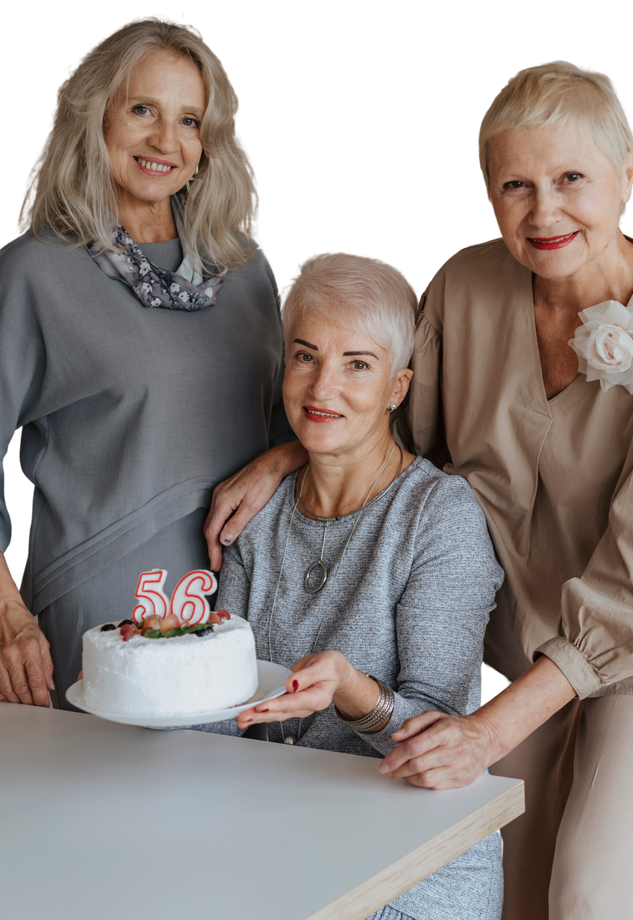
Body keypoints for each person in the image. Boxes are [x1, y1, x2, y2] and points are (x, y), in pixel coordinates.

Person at [201, 61, 633, 919]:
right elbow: (382, 411)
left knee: (588, 888)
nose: (543, 212)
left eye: (571, 179)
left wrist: (487, 730)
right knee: (498, 862)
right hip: (516, 628)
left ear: (629, 170)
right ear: (488, 192)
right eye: (515, 185)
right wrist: (286, 457)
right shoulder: (461, 286)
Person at [0, 12, 306, 711]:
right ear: (95, 117)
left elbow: (302, 426)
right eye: (142, 109)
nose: (165, 141)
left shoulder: (248, 266)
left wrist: (279, 459)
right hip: (103, 602)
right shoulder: (32, 271)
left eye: (189, 120)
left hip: (247, 596)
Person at [178, 248, 505, 920]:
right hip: (279, 847)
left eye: (357, 364)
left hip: (413, 873)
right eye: (306, 356)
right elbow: (224, 705)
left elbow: (440, 737)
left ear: (397, 387)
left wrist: (353, 692)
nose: (322, 387)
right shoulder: (258, 510)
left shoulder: (438, 516)